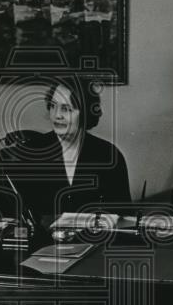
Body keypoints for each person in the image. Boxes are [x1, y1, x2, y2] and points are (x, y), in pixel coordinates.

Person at [7, 76, 131, 220]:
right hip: (44, 241)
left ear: (85, 113)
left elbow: (123, 215)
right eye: (53, 106)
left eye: (66, 109)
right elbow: (17, 215)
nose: (57, 115)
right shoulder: (30, 152)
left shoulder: (109, 155)